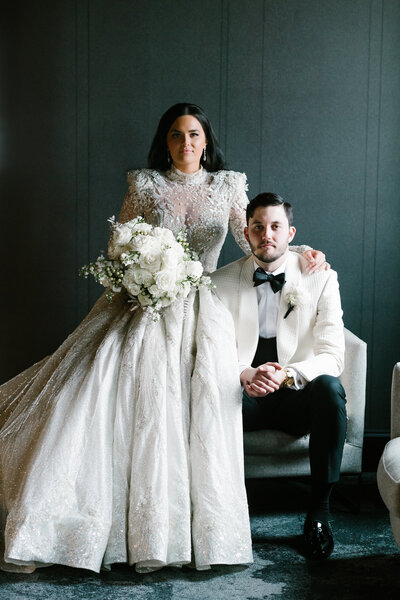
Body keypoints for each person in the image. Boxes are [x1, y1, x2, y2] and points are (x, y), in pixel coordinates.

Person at [0, 104, 325, 574]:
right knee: (111, 393)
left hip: (202, 309)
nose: (186, 143)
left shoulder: (227, 186)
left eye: (194, 135)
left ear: (206, 141)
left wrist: (298, 249)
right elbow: (120, 245)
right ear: (165, 141)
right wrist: (138, 274)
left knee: (199, 409)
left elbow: (251, 237)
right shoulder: (145, 185)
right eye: (176, 135)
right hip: (146, 303)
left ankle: (187, 534)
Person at [211, 192, 347, 560]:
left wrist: (287, 374)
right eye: (258, 227)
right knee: (204, 388)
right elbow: (208, 352)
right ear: (247, 233)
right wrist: (243, 373)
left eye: (275, 226)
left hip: (295, 395)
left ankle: (319, 513)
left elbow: (333, 355)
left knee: (331, 389)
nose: (266, 234)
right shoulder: (220, 283)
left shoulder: (320, 277)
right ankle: (215, 514)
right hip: (240, 397)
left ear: (291, 233)